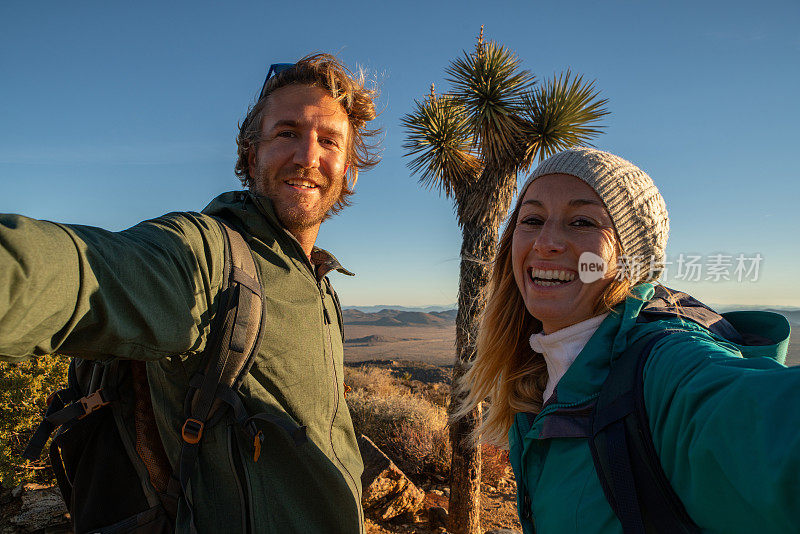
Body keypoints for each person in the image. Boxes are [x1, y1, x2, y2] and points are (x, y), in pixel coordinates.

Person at [0, 53, 379, 533]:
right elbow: (74, 272)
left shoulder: (321, 284)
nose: (308, 156)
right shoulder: (206, 258)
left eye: (329, 141)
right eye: (286, 133)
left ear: (348, 167)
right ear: (250, 153)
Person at [455, 147, 798, 533]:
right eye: (531, 218)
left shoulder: (667, 366)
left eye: (582, 221)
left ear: (630, 259)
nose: (546, 241)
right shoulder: (539, 377)